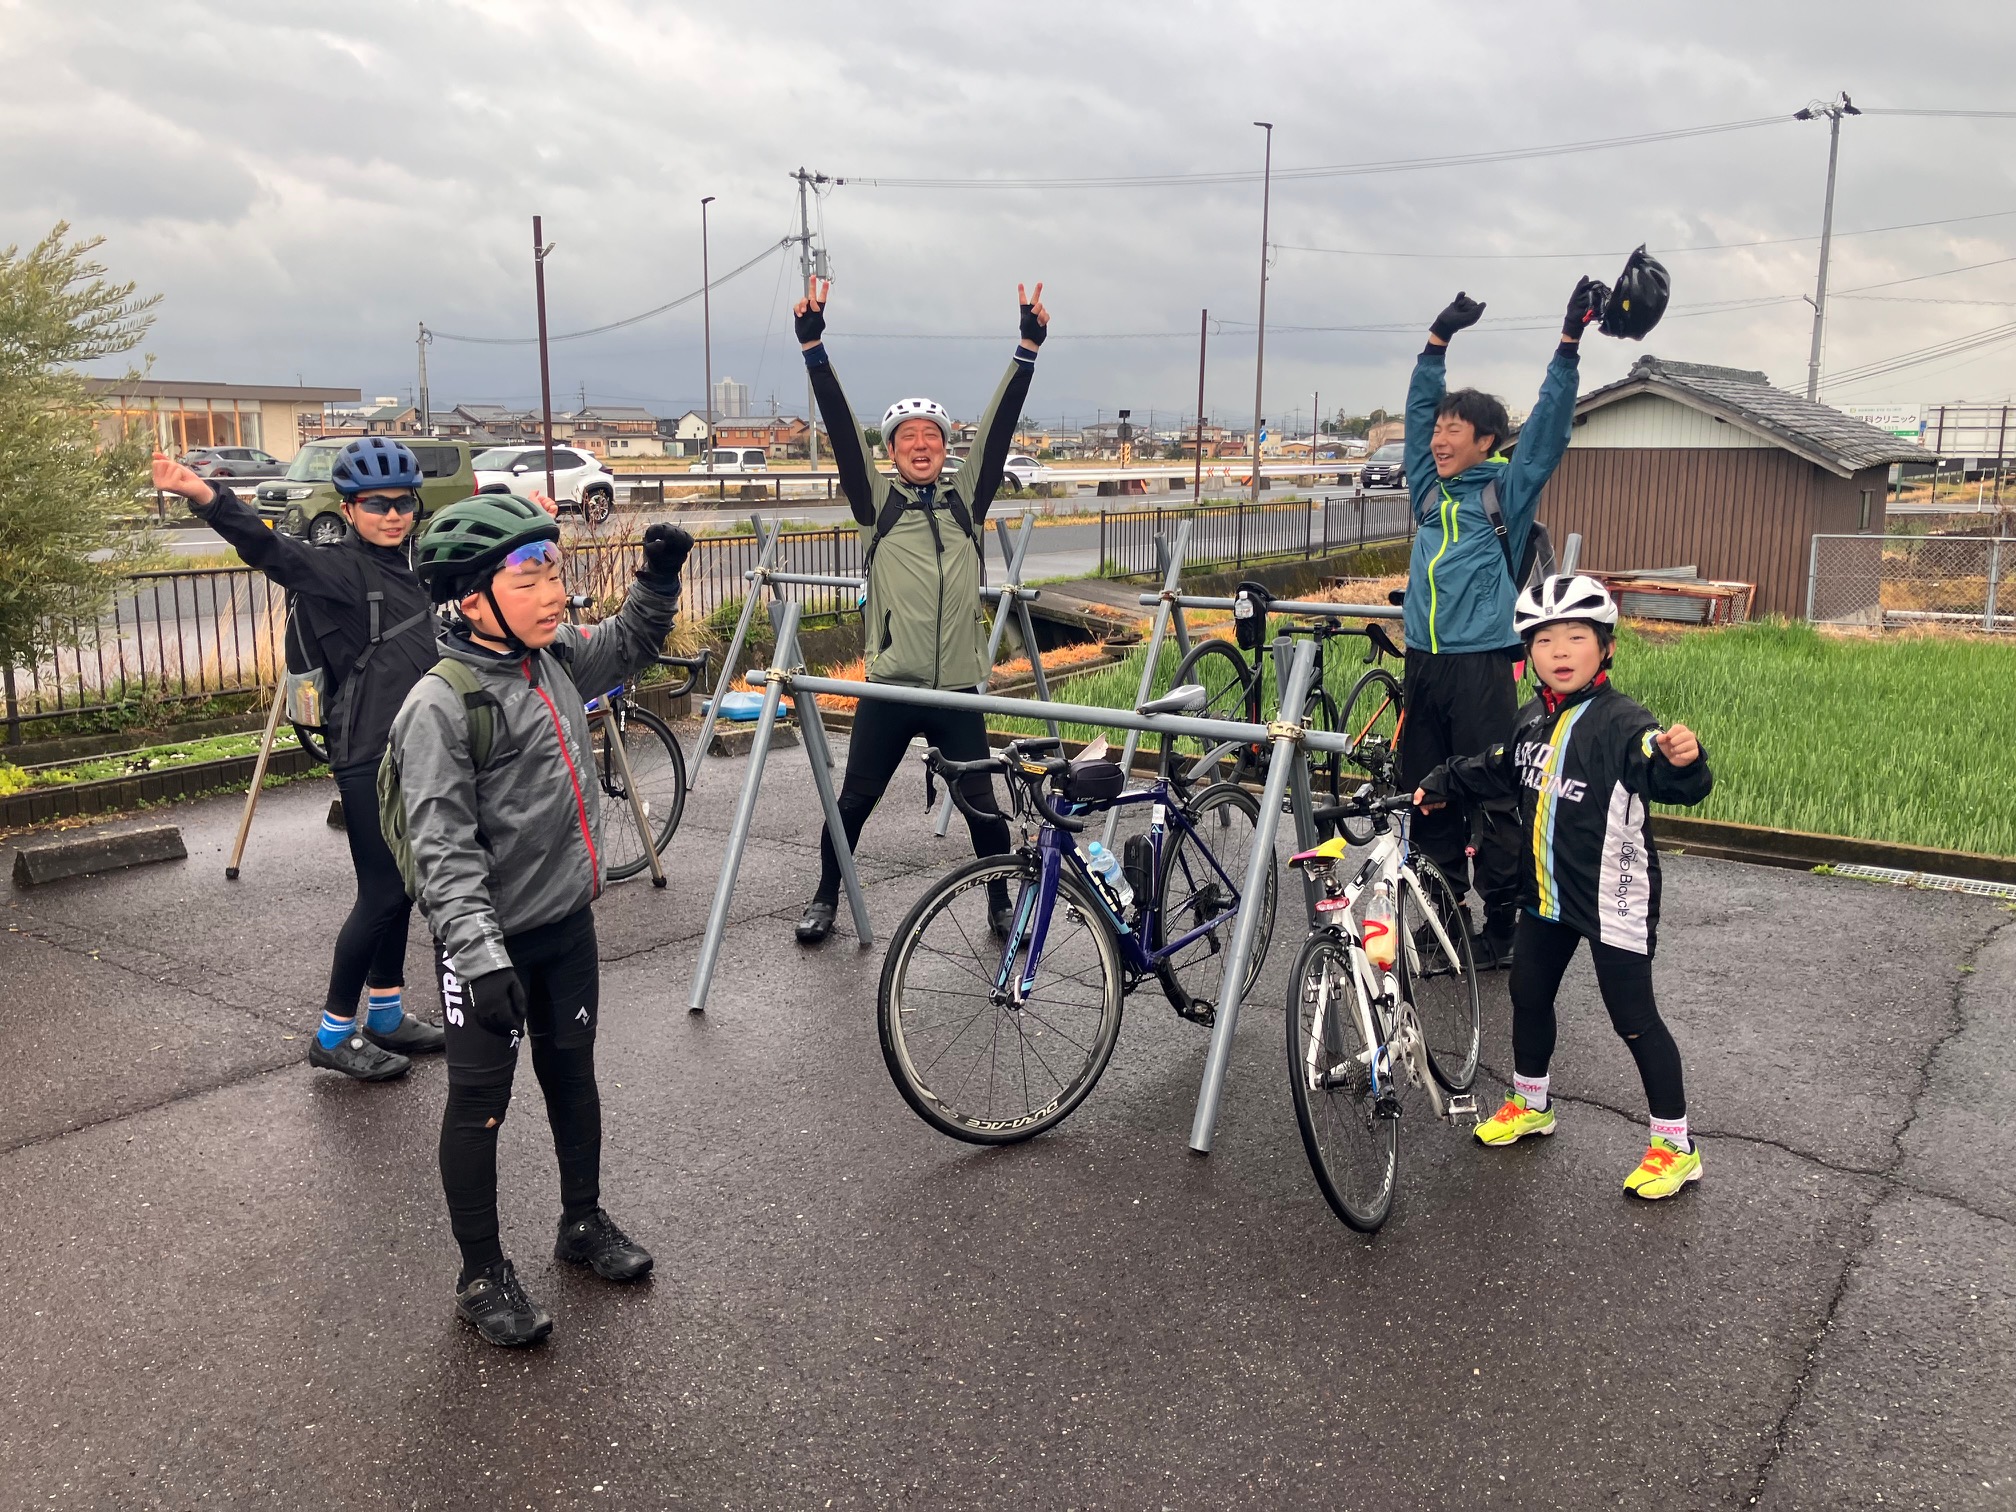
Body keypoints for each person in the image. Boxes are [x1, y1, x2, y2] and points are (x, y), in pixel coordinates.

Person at [386, 493, 692, 1348]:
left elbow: (626, 646)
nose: (554, 592)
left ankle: (581, 1222)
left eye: (554, 571)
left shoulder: (549, 658)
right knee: (479, 1103)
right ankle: (481, 1274)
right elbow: (441, 850)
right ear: (471, 600)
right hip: (487, 948)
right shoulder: (441, 706)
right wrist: (481, 959)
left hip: (565, 927)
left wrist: (657, 580)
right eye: (530, 579)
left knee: (572, 1077)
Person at [150, 439, 451, 1081]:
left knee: (403, 888)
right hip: (368, 753)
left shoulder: (411, 565)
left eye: (404, 503)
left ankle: (387, 1014)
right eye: (377, 504)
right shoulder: (335, 568)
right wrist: (204, 495)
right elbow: (269, 549)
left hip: (413, 748)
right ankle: (333, 1032)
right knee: (381, 893)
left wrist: (530, 521)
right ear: (349, 508)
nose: (393, 515)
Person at [1412, 575, 1713, 1200]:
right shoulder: (1532, 718)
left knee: (1634, 1019)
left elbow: (1666, 776)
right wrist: (1442, 781)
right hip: (1546, 896)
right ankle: (1532, 1104)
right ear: (1529, 654)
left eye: (1577, 637)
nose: (1561, 651)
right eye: (1545, 640)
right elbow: (1499, 766)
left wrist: (1683, 761)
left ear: (1606, 648)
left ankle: (1675, 1146)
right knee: (1528, 994)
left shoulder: (1625, 722)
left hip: (1613, 897)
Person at [787, 274, 1048, 945]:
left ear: (945, 446)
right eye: (909, 437)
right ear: (892, 450)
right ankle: (825, 896)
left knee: (983, 808)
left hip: (957, 688)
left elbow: (999, 429)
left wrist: (1026, 349)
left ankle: (998, 903)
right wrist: (814, 348)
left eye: (932, 435)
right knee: (853, 803)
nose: (922, 444)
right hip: (892, 688)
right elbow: (840, 430)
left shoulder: (966, 503)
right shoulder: (877, 506)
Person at [1396, 278, 1605, 969]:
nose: (1439, 437)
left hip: (1482, 666)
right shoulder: (1428, 492)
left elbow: (1547, 430)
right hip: (1423, 664)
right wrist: (1437, 341)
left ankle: (1503, 926)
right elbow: (1417, 410)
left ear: (1486, 441)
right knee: (1429, 795)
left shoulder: (1503, 492)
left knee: (1492, 796)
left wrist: (1568, 344)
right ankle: (1444, 917)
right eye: (1438, 430)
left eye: (1453, 430)